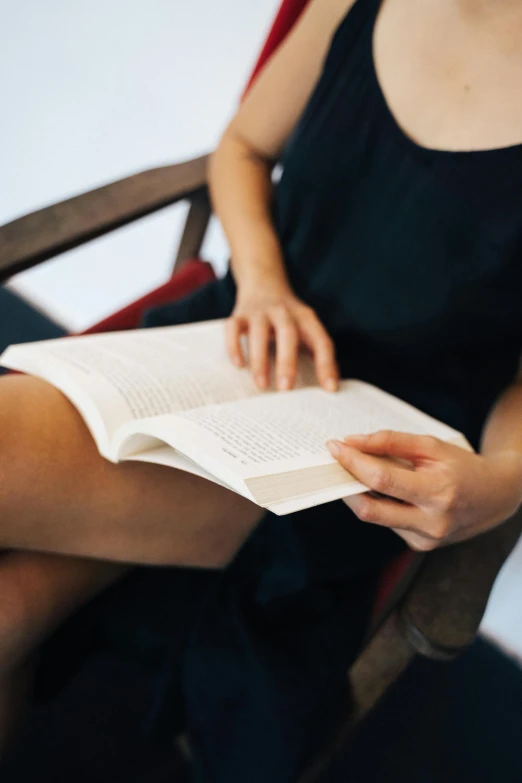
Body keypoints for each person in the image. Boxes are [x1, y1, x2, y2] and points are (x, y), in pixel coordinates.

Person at [2, 0, 522, 777]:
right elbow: (244, 146)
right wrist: (264, 280)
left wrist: (503, 483)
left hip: (360, 449)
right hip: (237, 337)